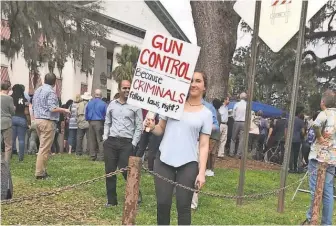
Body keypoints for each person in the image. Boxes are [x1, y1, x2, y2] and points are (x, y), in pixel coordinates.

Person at [145, 71, 212, 225]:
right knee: (162, 204)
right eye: (190, 80)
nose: (193, 84)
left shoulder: (206, 114)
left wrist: (202, 173)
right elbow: (160, 129)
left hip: (188, 164)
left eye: (198, 81)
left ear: (204, 87)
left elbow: (203, 145)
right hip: (163, 160)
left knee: (183, 207)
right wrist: (152, 126)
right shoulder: (173, 103)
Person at [103, 80, 143, 207]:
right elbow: (107, 122)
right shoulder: (112, 105)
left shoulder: (135, 105)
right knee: (109, 171)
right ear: (119, 89)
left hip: (127, 142)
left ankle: (135, 194)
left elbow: (139, 126)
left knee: (126, 170)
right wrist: (105, 138)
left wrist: (134, 143)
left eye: (128, 88)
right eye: (124, 88)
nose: (126, 90)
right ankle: (111, 201)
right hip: (112, 140)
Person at [304, 90, 336, 225]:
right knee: (328, 192)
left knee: (315, 190)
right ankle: (326, 223)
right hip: (332, 158)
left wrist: (320, 137)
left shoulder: (325, 113)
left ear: (323, 102)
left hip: (319, 157)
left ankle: (312, 218)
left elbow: (316, 125)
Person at [33, 73, 70, 179]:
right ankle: (40, 173)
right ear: (55, 83)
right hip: (47, 121)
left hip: (38, 120)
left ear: (44, 80)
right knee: (44, 148)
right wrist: (64, 110)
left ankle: (43, 170)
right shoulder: (51, 92)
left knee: (43, 147)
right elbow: (52, 108)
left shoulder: (37, 90)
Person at [85, 89, 107, 161]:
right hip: (100, 122)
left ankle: (92, 156)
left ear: (94, 95)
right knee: (100, 140)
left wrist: (88, 120)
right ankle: (101, 156)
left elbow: (86, 113)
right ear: (101, 96)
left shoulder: (89, 103)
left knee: (92, 140)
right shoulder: (103, 104)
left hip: (91, 122)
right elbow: (106, 114)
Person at [11, 84, 30, 161]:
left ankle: (9, 156)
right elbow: (27, 112)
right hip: (22, 118)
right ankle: (21, 158)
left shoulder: (11, 98)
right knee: (21, 140)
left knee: (12, 139)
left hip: (13, 118)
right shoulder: (25, 100)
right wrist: (29, 122)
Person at [1, 80, 15, 163]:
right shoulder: (9, 98)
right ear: (9, 88)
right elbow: (12, 112)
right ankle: (6, 163)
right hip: (6, 122)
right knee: (8, 145)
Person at [229, 92, 247, 158]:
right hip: (244, 122)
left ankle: (231, 153)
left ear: (240, 97)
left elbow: (233, 114)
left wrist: (235, 118)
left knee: (233, 138)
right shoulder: (247, 105)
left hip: (236, 122)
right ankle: (238, 154)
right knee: (242, 139)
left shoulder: (237, 104)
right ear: (245, 98)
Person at [288, 108, 305, 173]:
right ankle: (295, 168)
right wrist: (302, 136)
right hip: (297, 139)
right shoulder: (301, 121)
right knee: (296, 154)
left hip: (290, 138)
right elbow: (303, 131)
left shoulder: (290, 120)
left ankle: (290, 168)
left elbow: (286, 130)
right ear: (298, 114)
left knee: (290, 153)